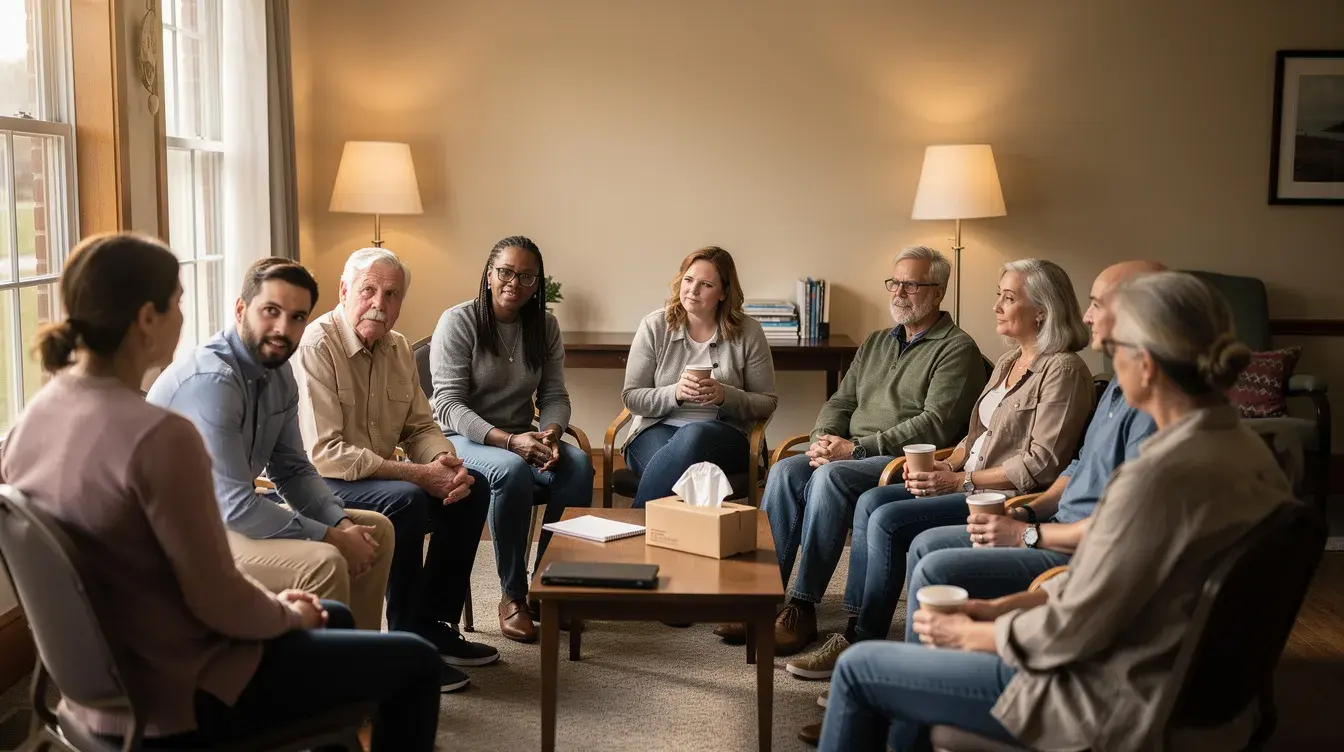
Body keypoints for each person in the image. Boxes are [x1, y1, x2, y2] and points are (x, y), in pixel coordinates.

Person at [0, 233, 440, 751]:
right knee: (416, 661)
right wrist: (284, 612)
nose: (184, 318)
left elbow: (174, 568)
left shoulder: (31, 421)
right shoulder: (161, 435)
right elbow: (214, 592)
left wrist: (292, 594)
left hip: (101, 684)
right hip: (182, 694)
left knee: (336, 617)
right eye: (178, 303)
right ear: (147, 318)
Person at [819, 271, 1290, 752]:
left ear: (1145, 365)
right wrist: (997, 607)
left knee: (859, 671)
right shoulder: (1251, 453)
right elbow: (1111, 578)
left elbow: (1073, 628)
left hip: (1107, 693)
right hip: (1169, 676)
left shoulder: (1158, 477)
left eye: (1117, 349)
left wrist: (971, 632)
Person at [784, 259, 1093, 678]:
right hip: (966, 478)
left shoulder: (1064, 370)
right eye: (998, 295)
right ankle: (853, 626)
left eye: (1009, 297)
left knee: (887, 518)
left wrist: (958, 480)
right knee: (871, 501)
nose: (997, 306)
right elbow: (975, 437)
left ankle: (862, 637)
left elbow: (1040, 464)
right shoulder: (1007, 363)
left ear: (1042, 309)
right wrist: (945, 463)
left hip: (996, 497)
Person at [896, 261, 1165, 645]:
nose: (1087, 316)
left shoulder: (1139, 403)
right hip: (1036, 514)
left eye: (1097, 305)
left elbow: (1116, 525)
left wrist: (1026, 532)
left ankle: (916, 672)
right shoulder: (1119, 389)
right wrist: (1025, 510)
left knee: (923, 552)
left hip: (1060, 540)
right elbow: (1073, 466)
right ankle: (920, 663)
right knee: (907, 530)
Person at [147, 258, 400, 644]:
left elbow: (293, 470)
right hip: (175, 534)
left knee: (374, 533)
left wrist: (342, 525)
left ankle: (356, 679)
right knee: (328, 561)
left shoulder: (280, 371)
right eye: (271, 311)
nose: (284, 329)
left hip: (222, 517)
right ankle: (316, 696)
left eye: (297, 317)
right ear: (240, 309)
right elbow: (233, 506)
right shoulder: (214, 381)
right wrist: (332, 538)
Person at [751, 245, 986, 656]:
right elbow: (842, 401)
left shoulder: (957, 348)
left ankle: (802, 605)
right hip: (849, 451)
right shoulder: (876, 342)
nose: (899, 292)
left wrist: (855, 449)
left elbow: (935, 422)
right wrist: (824, 438)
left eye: (911, 284)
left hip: (900, 458)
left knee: (830, 476)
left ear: (939, 292)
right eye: (894, 282)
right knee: (786, 472)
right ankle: (759, 597)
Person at [291, 247, 499, 671]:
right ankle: (406, 642)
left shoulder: (398, 347)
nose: (379, 304)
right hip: (317, 482)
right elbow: (326, 454)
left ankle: (433, 623)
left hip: (379, 477)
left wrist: (446, 465)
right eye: (368, 290)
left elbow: (420, 427)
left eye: (391, 295)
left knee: (472, 488)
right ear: (344, 290)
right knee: (408, 499)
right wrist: (419, 475)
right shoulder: (316, 345)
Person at [430, 235, 594, 643]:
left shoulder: (545, 326)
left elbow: (554, 396)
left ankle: (552, 584)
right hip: (462, 438)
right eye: (505, 272)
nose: (513, 282)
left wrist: (551, 434)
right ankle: (513, 596)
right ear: (489, 275)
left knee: (578, 465)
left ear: (537, 284)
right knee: (510, 472)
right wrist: (509, 442)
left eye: (525, 276)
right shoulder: (459, 321)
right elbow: (448, 405)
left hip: (523, 438)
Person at [621, 246, 777, 507]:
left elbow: (767, 402)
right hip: (655, 431)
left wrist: (725, 395)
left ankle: (638, 529)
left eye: (705, 284)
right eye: (688, 280)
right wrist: (675, 393)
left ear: (723, 292)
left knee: (692, 436)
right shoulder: (654, 326)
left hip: (725, 436)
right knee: (679, 469)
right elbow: (632, 397)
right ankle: (683, 542)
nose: (692, 290)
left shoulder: (749, 333)